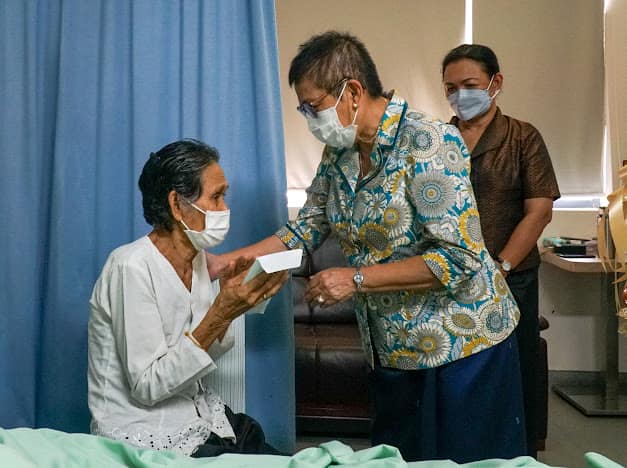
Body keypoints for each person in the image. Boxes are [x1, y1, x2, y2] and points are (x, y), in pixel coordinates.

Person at [214, 31, 526, 463]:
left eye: (313, 106)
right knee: (396, 459)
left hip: (462, 346)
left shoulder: (428, 142)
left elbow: (460, 259)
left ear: (353, 92)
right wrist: (222, 262)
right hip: (392, 348)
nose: (310, 119)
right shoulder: (340, 152)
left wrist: (356, 279)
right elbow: (306, 228)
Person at [87, 139, 288, 457]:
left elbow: (205, 351)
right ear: (177, 204)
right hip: (146, 431)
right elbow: (148, 386)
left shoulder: (196, 260)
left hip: (201, 416)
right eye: (216, 197)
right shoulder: (130, 267)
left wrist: (233, 307)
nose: (225, 209)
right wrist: (221, 312)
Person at [441, 44, 561, 458]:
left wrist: (501, 266)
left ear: (496, 83)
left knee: (514, 372)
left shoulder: (522, 137)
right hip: (449, 278)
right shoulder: (437, 139)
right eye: (451, 88)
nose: (460, 95)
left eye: (470, 85)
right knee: (456, 376)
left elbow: (539, 210)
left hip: (512, 278)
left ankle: (518, 458)